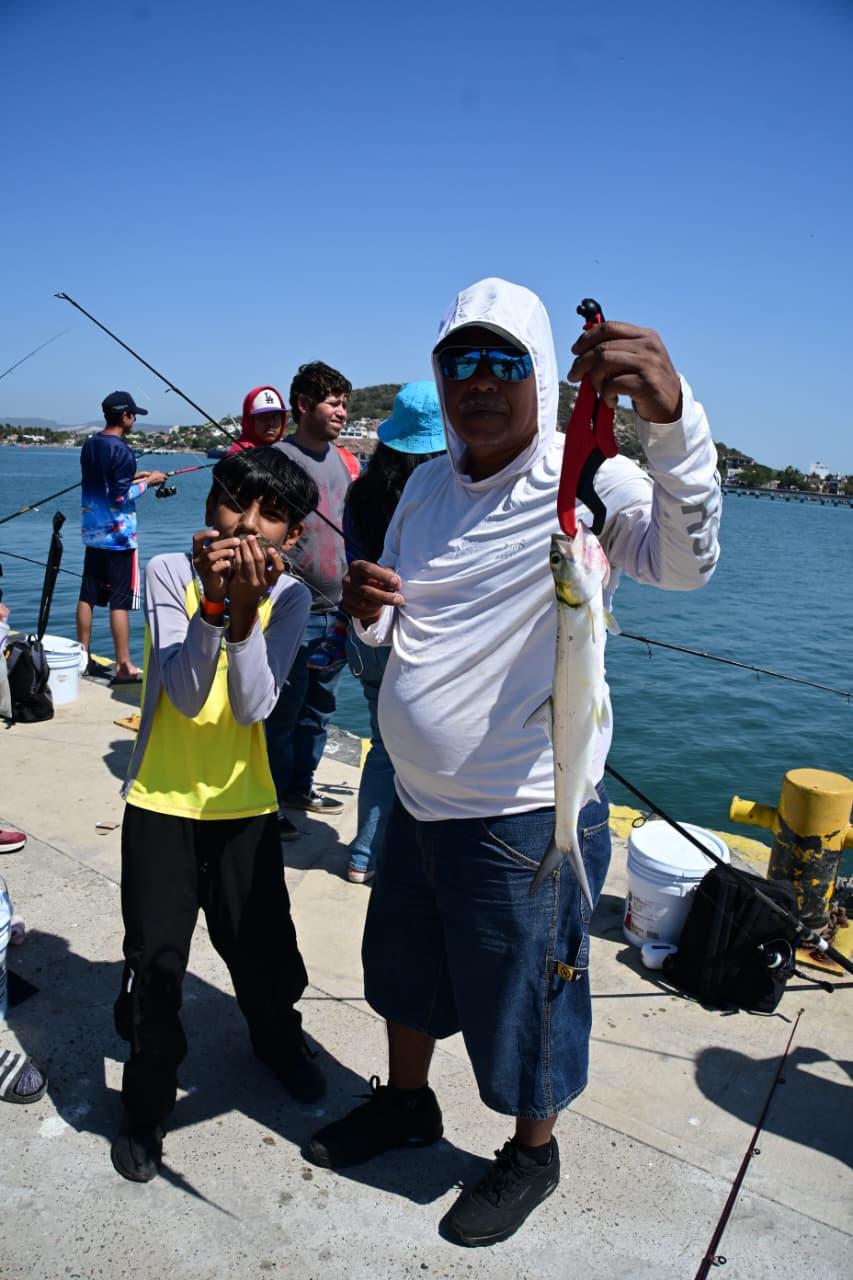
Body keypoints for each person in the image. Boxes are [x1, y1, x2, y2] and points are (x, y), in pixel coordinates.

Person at [308, 278, 721, 1246]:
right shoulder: (422, 489)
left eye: (504, 361)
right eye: (462, 361)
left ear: (539, 373)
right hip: (416, 801)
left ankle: (533, 1151)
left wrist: (672, 420)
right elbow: (401, 626)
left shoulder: (588, 479)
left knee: (529, 1000)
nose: (480, 381)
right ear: (439, 374)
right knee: (403, 975)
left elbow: (685, 561)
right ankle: (407, 1102)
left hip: (526, 812)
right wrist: (368, 615)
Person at [111, 446, 326, 1183]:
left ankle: (277, 1041)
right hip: (161, 799)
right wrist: (211, 601)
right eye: (237, 503)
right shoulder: (169, 571)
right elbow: (183, 691)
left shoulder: (289, 598)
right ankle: (146, 1100)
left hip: (244, 804)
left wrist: (243, 614)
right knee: (156, 960)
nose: (249, 525)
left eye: (272, 515)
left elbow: (253, 704)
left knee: (263, 950)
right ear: (210, 509)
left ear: (293, 535)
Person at [342, 381, 446, 884]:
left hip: (363, 634)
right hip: (414, 639)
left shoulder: (360, 492)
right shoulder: (442, 495)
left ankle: (364, 855)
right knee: (427, 749)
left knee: (383, 747)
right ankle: (410, 859)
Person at [266, 361, 358, 841]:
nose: (342, 411)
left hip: (338, 610)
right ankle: (267, 804)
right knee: (280, 714)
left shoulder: (345, 461)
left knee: (320, 709)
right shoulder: (276, 459)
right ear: (303, 405)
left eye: (345, 404)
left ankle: (299, 788)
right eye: (333, 403)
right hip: (291, 610)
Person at [75, 391, 166, 684]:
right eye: (133, 415)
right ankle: (124, 666)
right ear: (125, 416)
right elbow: (118, 497)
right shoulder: (123, 451)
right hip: (119, 539)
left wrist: (134, 476)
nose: (134, 419)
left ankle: (82, 657)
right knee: (120, 602)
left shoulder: (90, 445)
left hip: (93, 532)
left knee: (87, 595)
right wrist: (149, 482)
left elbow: (106, 483)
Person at [225, 385, 287, 455]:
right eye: (263, 417)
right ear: (250, 421)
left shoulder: (286, 449)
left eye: (275, 416)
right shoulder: (240, 454)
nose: (270, 423)